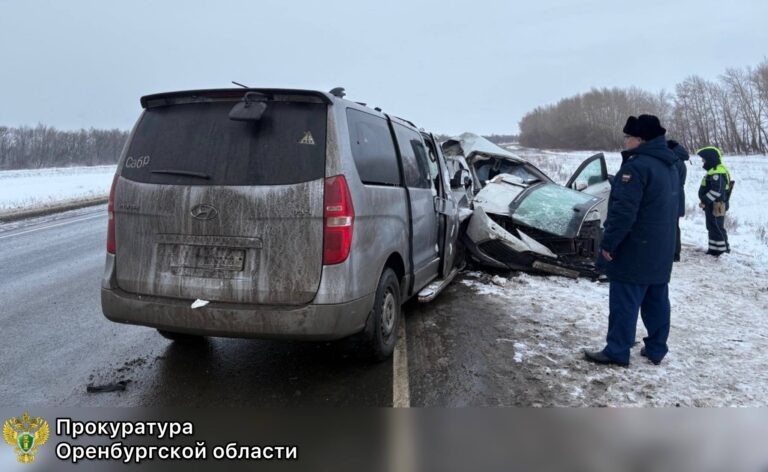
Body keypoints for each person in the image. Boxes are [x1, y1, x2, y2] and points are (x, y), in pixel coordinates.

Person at [585, 114, 679, 367]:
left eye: (628, 136)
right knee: (656, 299)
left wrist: (609, 244)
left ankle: (617, 351)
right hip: (661, 246)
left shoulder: (636, 167)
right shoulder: (669, 164)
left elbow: (623, 212)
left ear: (640, 139)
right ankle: (656, 349)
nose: (625, 141)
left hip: (635, 247)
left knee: (625, 300)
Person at [697, 146, 731, 256]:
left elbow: (717, 191)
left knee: (717, 226)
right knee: (711, 226)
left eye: (704, 159)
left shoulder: (717, 173)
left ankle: (722, 251)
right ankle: (713, 249)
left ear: (710, 159)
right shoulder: (713, 171)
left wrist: (704, 201)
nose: (703, 162)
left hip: (717, 205)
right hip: (712, 204)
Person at [668, 140, 689, 261]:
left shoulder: (673, 162)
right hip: (678, 196)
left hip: (673, 197)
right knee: (674, 225)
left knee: (672, 227)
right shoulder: (680, 161)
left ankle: (674, 253)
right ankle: (675, 253)